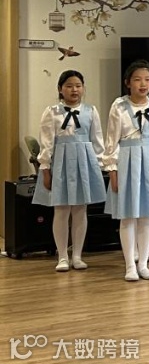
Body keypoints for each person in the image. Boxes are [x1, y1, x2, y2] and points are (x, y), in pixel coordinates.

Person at [104, 60, 149, 281]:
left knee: (147, 215)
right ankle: (129, 266)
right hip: (127, 161)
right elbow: (111, 141)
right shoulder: (119, 106)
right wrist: (112, 170)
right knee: (128, 215)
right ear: (128, 83)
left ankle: (143, 263)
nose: (143, 84)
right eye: (137, 79)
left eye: (147, 79)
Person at [33, 70, 107, 272]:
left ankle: (77, 255)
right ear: (60, 89)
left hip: (84, 162)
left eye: (78, 86)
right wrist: (45, 169)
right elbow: (46, 143)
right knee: (61, 210)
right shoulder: (52, 112)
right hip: (61, 164)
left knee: (80, 210)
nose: (74, 90)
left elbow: (97, 141)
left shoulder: (91, 111)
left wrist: (99, 166)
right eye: (69, 86)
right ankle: (62, 256)